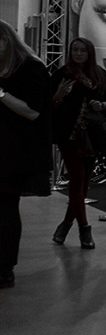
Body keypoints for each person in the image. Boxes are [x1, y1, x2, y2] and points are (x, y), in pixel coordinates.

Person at [50, 38, 106, 250]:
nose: (78, 54)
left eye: (82, 50)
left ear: (90, 53)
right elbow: (47, 105)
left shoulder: (99, 74)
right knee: (77, 179)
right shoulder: (62, 74)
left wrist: (101, 105)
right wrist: (59, 96)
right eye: (75, 50)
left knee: (83, 184)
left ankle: (65, 225)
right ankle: (84, 229)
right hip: (69, 135)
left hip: (92, 135)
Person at [0, 20, 52, 288]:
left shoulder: (31, 67)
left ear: (6, 40)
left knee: (5, 208)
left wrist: (0, 93)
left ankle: (5, 267)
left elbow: (32, 111)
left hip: (14, 154)